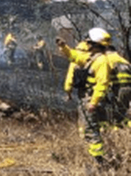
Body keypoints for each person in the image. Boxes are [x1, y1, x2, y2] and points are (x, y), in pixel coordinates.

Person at [56, 27, 131, 168]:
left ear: (93, 44)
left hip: (91, 100)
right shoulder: (92, 57)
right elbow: (74, 57)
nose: (86, 44)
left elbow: (102, 83)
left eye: (88, 42)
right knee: (104, 125)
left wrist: (93, 103)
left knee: (91, 131)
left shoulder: (101, 61)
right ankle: (103, 157)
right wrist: (64, 47)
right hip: (91, 99)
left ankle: (99, 162)